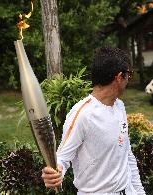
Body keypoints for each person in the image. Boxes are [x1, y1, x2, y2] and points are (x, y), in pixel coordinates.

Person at [42, 46, 146, 195]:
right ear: (118, 77)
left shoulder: (119, 107)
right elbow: (63, 157)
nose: (129, 80)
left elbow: (127, 154)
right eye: (129, 75)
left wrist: (140, 192)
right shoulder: (82, 114)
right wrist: (55, 173)